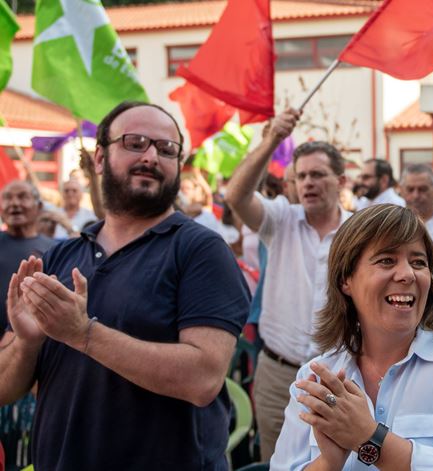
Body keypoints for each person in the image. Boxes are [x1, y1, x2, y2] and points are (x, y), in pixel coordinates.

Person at [0, 102, 250, 470]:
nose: (151, 156)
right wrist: (27, 341)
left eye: (166, 150)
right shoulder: (59, 256)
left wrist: (83, 334)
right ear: (100, 158)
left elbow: (203, 378)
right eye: (135, 143)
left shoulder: (200, 249)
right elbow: (5, 388)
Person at [271, 204, 433, 470]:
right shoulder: (316, 378)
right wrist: (329, 462)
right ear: (346, 280)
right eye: (387, 260)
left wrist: (371, 440)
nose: (408, 274)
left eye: (418, 262)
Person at [225, 110, 353, 462]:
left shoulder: (360, 232)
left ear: (341, 181)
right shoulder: (280, 219)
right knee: (277, 461)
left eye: (318, 175)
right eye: (300, 177)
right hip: (280, 375)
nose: (308, 183)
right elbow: (236, 196)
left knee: (337, 462)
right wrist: (271, 141)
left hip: (339, 376)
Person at [0, 180, 55, 470]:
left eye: (22, 197)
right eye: (7, 198)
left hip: (33, 374)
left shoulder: (57, 251)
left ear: (39, 205)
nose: (14, 204)